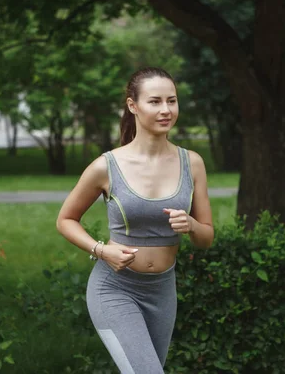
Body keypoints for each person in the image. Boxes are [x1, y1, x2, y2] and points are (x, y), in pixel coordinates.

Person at [56, 67, 214, 373]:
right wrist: (102, 250)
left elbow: (206, 237)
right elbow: (66, 219)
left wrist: (192, 226)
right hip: (115, 288)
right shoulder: (107, 166)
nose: (166, 110)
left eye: (172, 100)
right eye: (154, 101)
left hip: (163, 291)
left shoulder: (192, 163)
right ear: (133, 106)